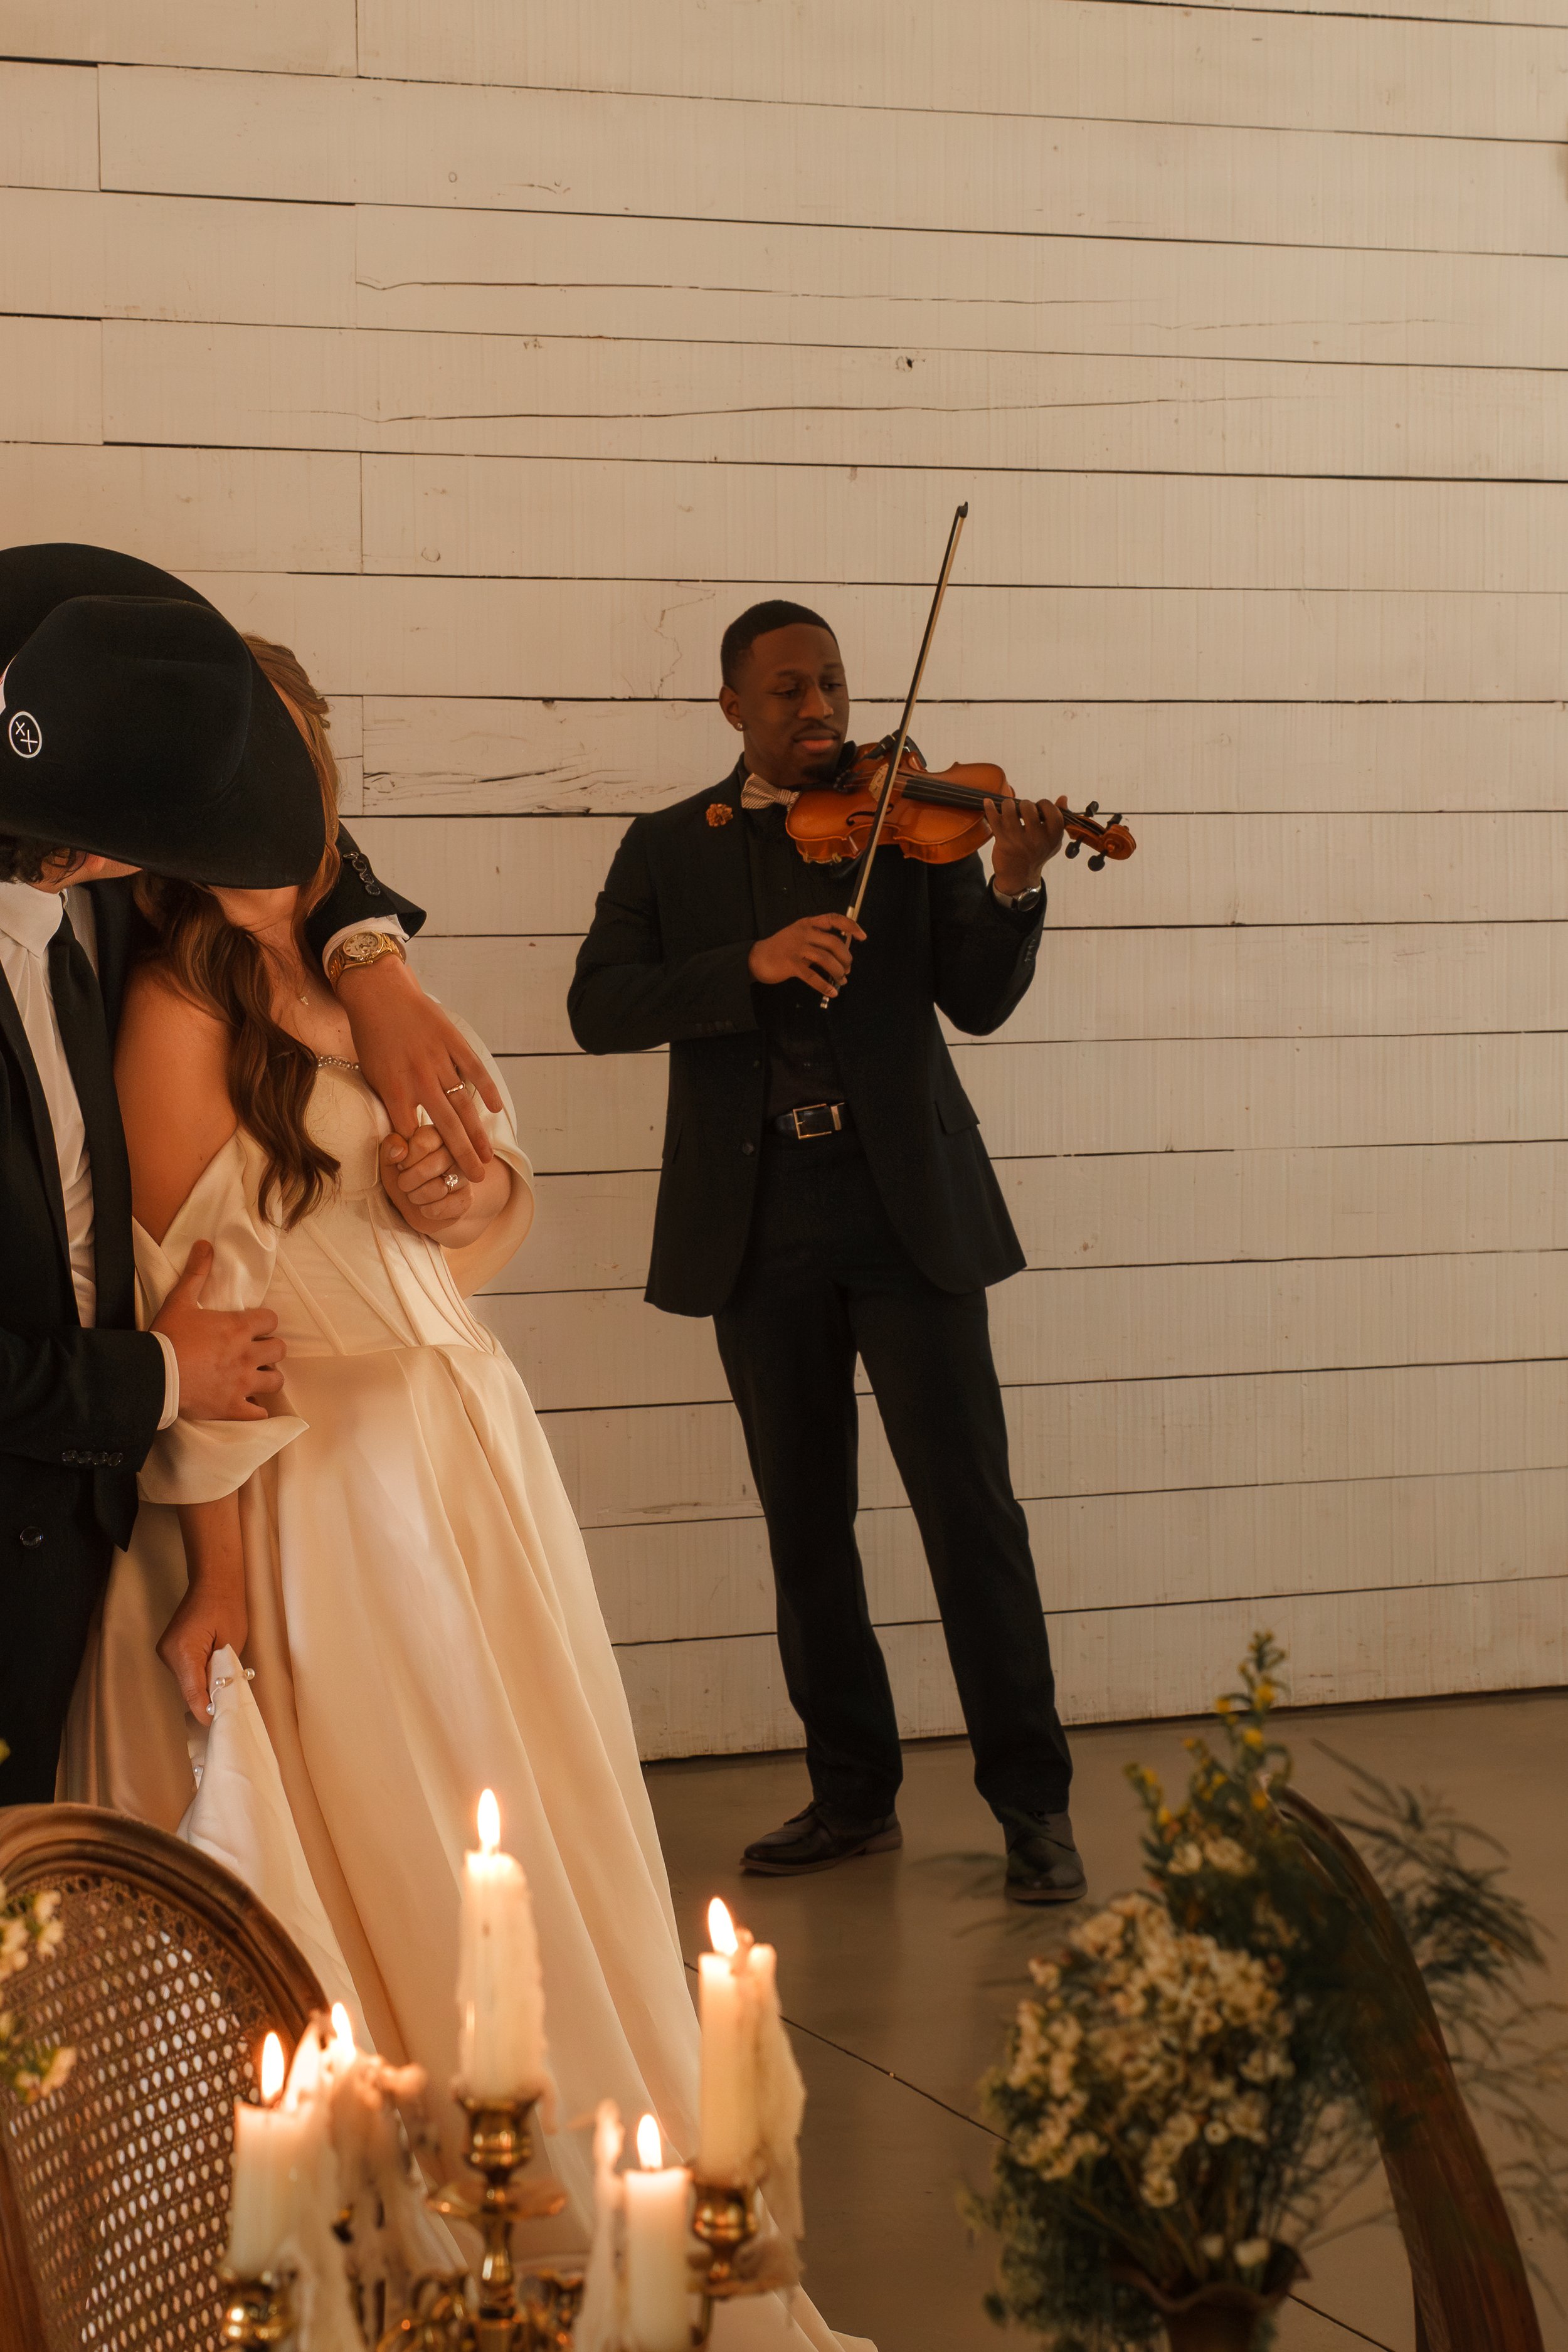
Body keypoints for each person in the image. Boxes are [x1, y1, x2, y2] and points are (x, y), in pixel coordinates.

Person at [58, 639, 861, 2350]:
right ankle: (444, 2229)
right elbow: (191, 1306)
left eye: (290, 756)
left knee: (529, 1818)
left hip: (464, 1445)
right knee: (402, 1840)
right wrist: (215, 1571)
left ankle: (573, 2215)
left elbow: (484, 1199)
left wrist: (452, 1191)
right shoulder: (176, 1004)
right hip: (326, 1495)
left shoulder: (368, 956)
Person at [569, 601, 1086, 1904]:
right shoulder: (665, 850)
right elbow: (598, 1006)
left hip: (904, 1208)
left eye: (833, 688)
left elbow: (976, 997)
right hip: (760, 1223)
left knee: (969, 1516)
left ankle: (1031, 1806)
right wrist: (745, 965)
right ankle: (851, 1794)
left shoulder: (914, 824)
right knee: (808, 1526)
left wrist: (1011, 881)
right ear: (732, 708)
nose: (819, 712)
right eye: (789, 691)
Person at [0, 543, 498, 1808]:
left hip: (67, 1524)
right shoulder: (146, 961)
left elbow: (303, 841)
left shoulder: (89, 901)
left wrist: (371, 960)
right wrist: (170, 1372)